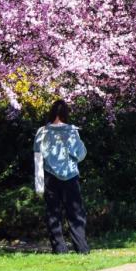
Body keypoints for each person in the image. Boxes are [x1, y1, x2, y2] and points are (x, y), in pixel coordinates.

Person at [34, 99, 90, 254]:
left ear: (51, 113)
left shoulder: (42, 132)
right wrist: (72, 159)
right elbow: (81, 153)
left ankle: (59, 249)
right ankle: (82, 248)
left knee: (53, 213)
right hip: (71, 176)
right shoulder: (72, 131)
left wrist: (39, 186)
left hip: (50, 178)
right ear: (66, 113)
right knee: (76, 212)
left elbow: (38, 159)